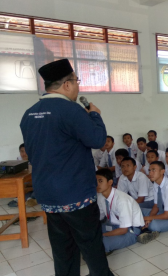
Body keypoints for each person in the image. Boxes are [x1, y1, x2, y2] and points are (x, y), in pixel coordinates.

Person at [20, 59, 112, 275]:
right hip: (75, 193)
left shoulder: (29, 113)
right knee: (91, 246)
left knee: (63, 249)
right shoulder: (70, 110)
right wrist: (95, 115)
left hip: (48, 195)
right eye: (77, 81)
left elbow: (35, 153)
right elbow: (98, 140)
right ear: (67, 84)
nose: (78, 86)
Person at [96, 168, 153, 254]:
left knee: (101, 243)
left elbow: (123, 230)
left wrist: (102, 235)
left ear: (110, 182)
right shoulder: (101, 197)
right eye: (95, 181)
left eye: (100, 181)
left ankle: (140, 235)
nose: (97, 184)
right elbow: (99, 217)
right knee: (90, 233)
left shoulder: (121, 200)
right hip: (114, 225)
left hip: (130, 231)